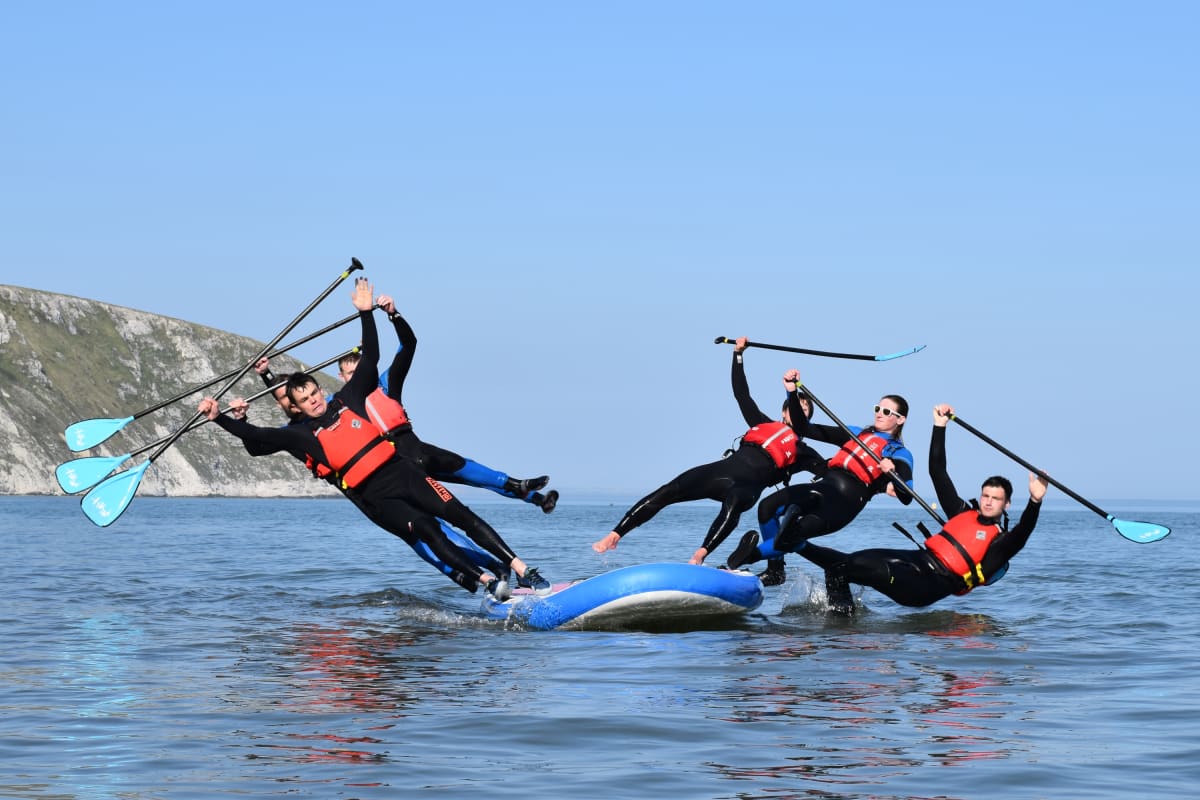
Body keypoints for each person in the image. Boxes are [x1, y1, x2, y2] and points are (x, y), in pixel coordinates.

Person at [200, 276, 553, 595]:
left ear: (320, 389)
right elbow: (256, 436)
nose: (313, 402)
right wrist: (220, 418)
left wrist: (367, 313)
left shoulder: (347, 399)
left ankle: (523, 569)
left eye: (314, 394)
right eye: (305, 401)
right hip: (377, 496)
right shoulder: (301, 436)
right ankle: (488, 582)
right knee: (429, 533)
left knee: (462, 516)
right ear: (297, 408)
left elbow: (372, 354)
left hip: (404, 471)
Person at [247, 364, 512, 596]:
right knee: (418, 538)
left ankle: (494, 568)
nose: (295, 401)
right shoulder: (293, 434)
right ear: (288, 403)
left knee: (441, 528)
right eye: (285, 398)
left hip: (392, 475)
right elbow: (257, 445)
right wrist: (247, 408)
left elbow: (297, 392)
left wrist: (267, 374)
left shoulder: (327, 409)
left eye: (300, 395)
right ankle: (465, 575)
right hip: (364, 495)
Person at [787, 403, 1049, 614]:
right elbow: (938, 471)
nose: (989, 501)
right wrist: (939, 426)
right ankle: (839, 620)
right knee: (842, 566)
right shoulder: (961, 512)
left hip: (927, 585)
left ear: (1007, 505)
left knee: (848, 567)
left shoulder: (1001, 542)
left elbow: (1024, 531)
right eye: (986, 495)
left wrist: (1035, 501)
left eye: (996, 498)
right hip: (917, 560)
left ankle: (799, 548)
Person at [591, 337, 826, 566]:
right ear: (785, 411)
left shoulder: (803, 450)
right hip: (722, 471)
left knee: (732, 505)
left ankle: (701, 553)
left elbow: (829, 470)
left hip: (748, 486)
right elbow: (741, 394)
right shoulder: (761, 423)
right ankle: (616, 534)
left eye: (806, 410)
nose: (800, 411)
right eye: (798, 406)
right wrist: (738, 355)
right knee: (669, 490)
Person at [336, 323, 558, 512]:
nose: (357, 377)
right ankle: (523, 487)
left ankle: (537, 499)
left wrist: (393, 315)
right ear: (341, 377)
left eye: (360, 370)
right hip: (399, 467)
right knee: (466, 480)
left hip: (416, 449)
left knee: (474, 475)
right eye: (350, 374)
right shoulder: (341, 405)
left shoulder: (385, 384)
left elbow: (408, 344)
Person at [727, 379, 915, 572]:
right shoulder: (856, 434)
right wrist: (791, 393)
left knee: (791, 536)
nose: (879, 414)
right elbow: (804, 428)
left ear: (900, 420)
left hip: (846, 501)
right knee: (767, 507)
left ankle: (748, 558)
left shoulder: (898, 452)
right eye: (878, 408)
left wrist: (892, 473)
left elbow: (907, 496)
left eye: (886, 411)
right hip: (826, 485)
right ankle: (775, 570)